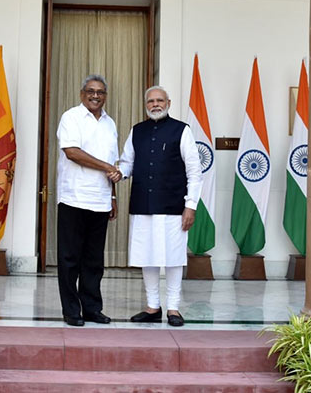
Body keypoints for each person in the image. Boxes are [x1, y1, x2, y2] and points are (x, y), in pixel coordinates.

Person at [118, 86, 202, 327]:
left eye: (159, 100)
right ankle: (153, 306)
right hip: (143, 204)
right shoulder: (137, 131)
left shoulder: (181, 130)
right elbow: (127, 163)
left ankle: (173, 308)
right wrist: (116, 173)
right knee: (148, 256)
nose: (155, 104)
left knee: (174, 258)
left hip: (174, 206)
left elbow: (194, 172)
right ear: (146, 104)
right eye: (151, 101)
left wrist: (191, 206)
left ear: (168, 102)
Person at [56, 74, 122, 327]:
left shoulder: (109, 123)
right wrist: (106, 166)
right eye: (91, 91)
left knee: (94, 260)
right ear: (82, 93)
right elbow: (72, 152)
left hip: (100, 200)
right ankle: (71, 310)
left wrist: (113, 196)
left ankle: (93, 308)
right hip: (74, 197)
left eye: (101, 92)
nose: (96, 96)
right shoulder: (71, 117)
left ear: (106, 96)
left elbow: (113, 165)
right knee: (70, 258)